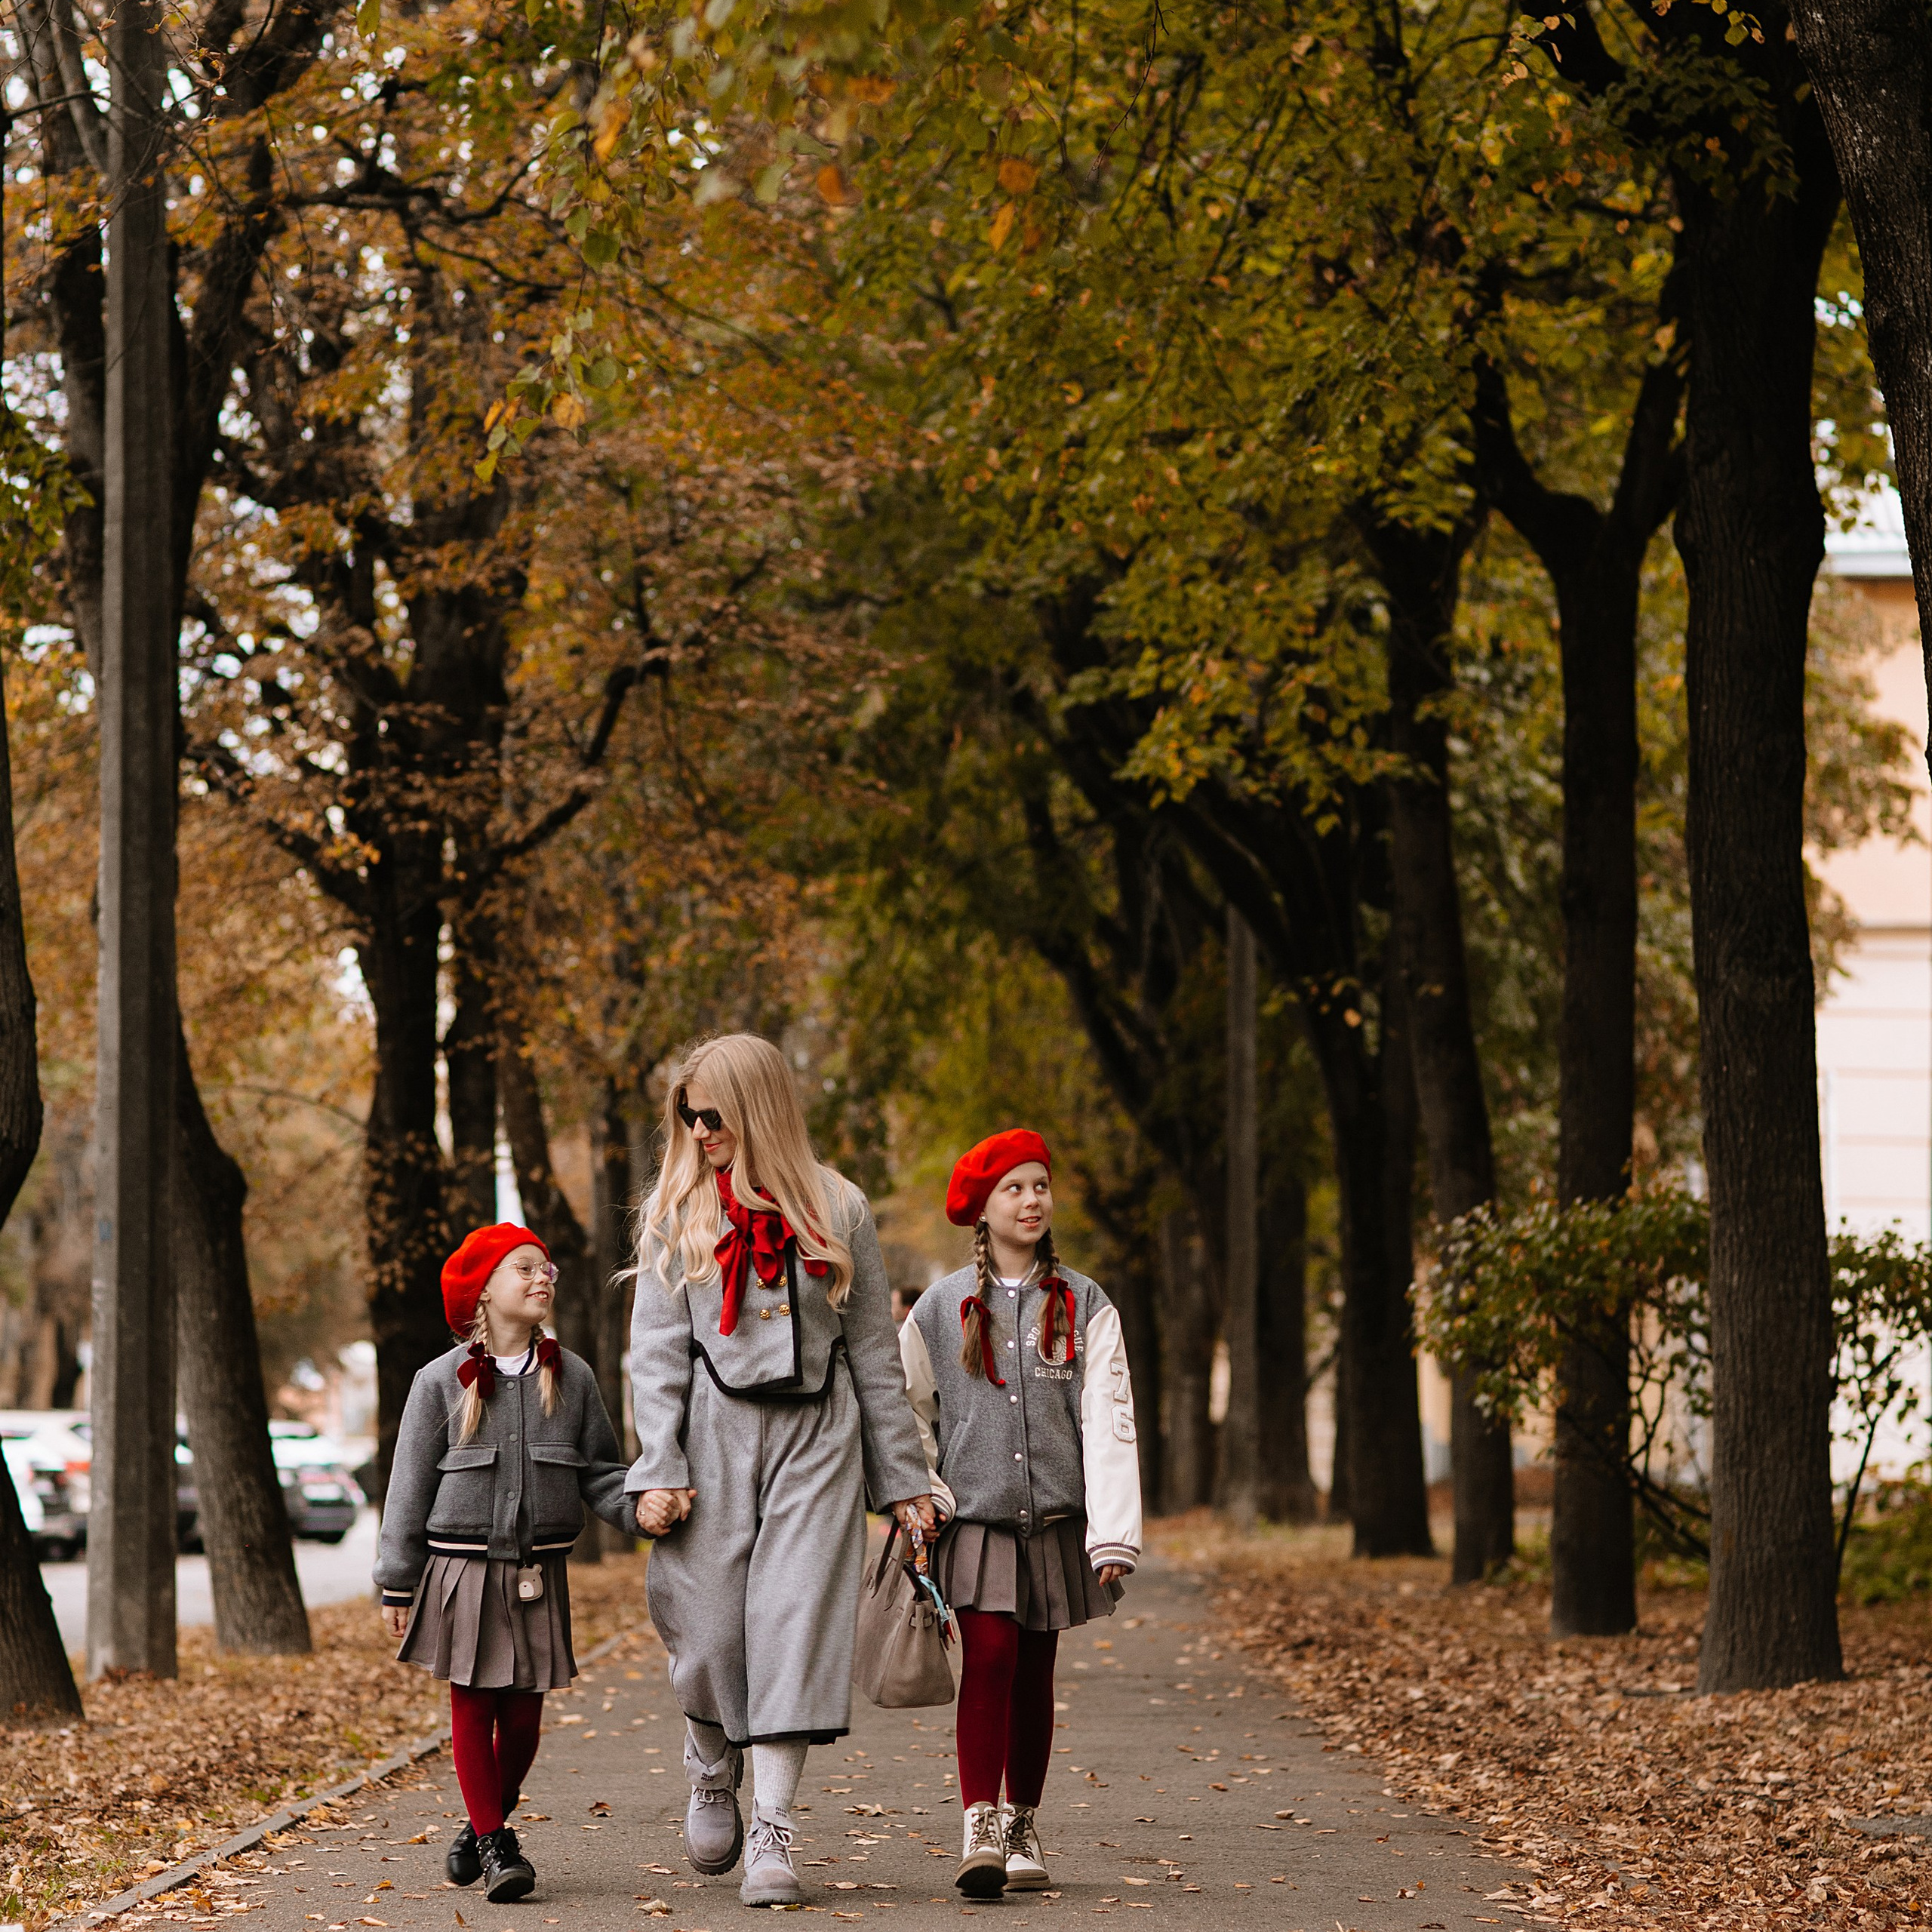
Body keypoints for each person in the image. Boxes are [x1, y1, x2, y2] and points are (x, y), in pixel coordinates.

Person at [626, 1033, 934, 1909]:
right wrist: (659, 1463)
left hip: (818, 1439)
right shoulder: (674, 1209)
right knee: (712, 1631)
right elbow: (654, 1354)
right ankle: (710, 1761)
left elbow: (874, 1351)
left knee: (792, 1626)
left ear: (756, 1106)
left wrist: (905, 1481)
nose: (699, 1127)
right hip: (712, 1438)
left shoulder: (841, 1207)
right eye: (689, 1114)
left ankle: (775, 1825)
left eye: (714, 1112)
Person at [899, 1129, 1143, 1898]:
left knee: (1035, 1669)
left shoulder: (1083, 1301)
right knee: (991, 1658)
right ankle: (978, 1822)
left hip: (1058, 1524)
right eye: (1015, 1187)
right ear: (982, 1207)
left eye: (1040, 1185)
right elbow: (901, 1405)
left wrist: (1114, 1535)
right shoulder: (941, 1308)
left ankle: (1022, 1824)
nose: (1032, 1199)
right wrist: (922, 1492)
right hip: (974, 1522)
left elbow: (1108, 1419)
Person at [375, 1223, 635, 1903]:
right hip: (462, 1571)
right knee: (473, 1703)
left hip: (538, 1571)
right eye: (525, 1268)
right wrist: (396, 1580)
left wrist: (644, 1510)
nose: (543, 1276)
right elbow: (409, 1486)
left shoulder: (571, 1377)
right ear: (485, 1290)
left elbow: (603, 1472)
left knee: (524, 1720)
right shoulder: (440, 1381)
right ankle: (496, 1846)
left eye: (547, 1267)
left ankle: (480, 1823)